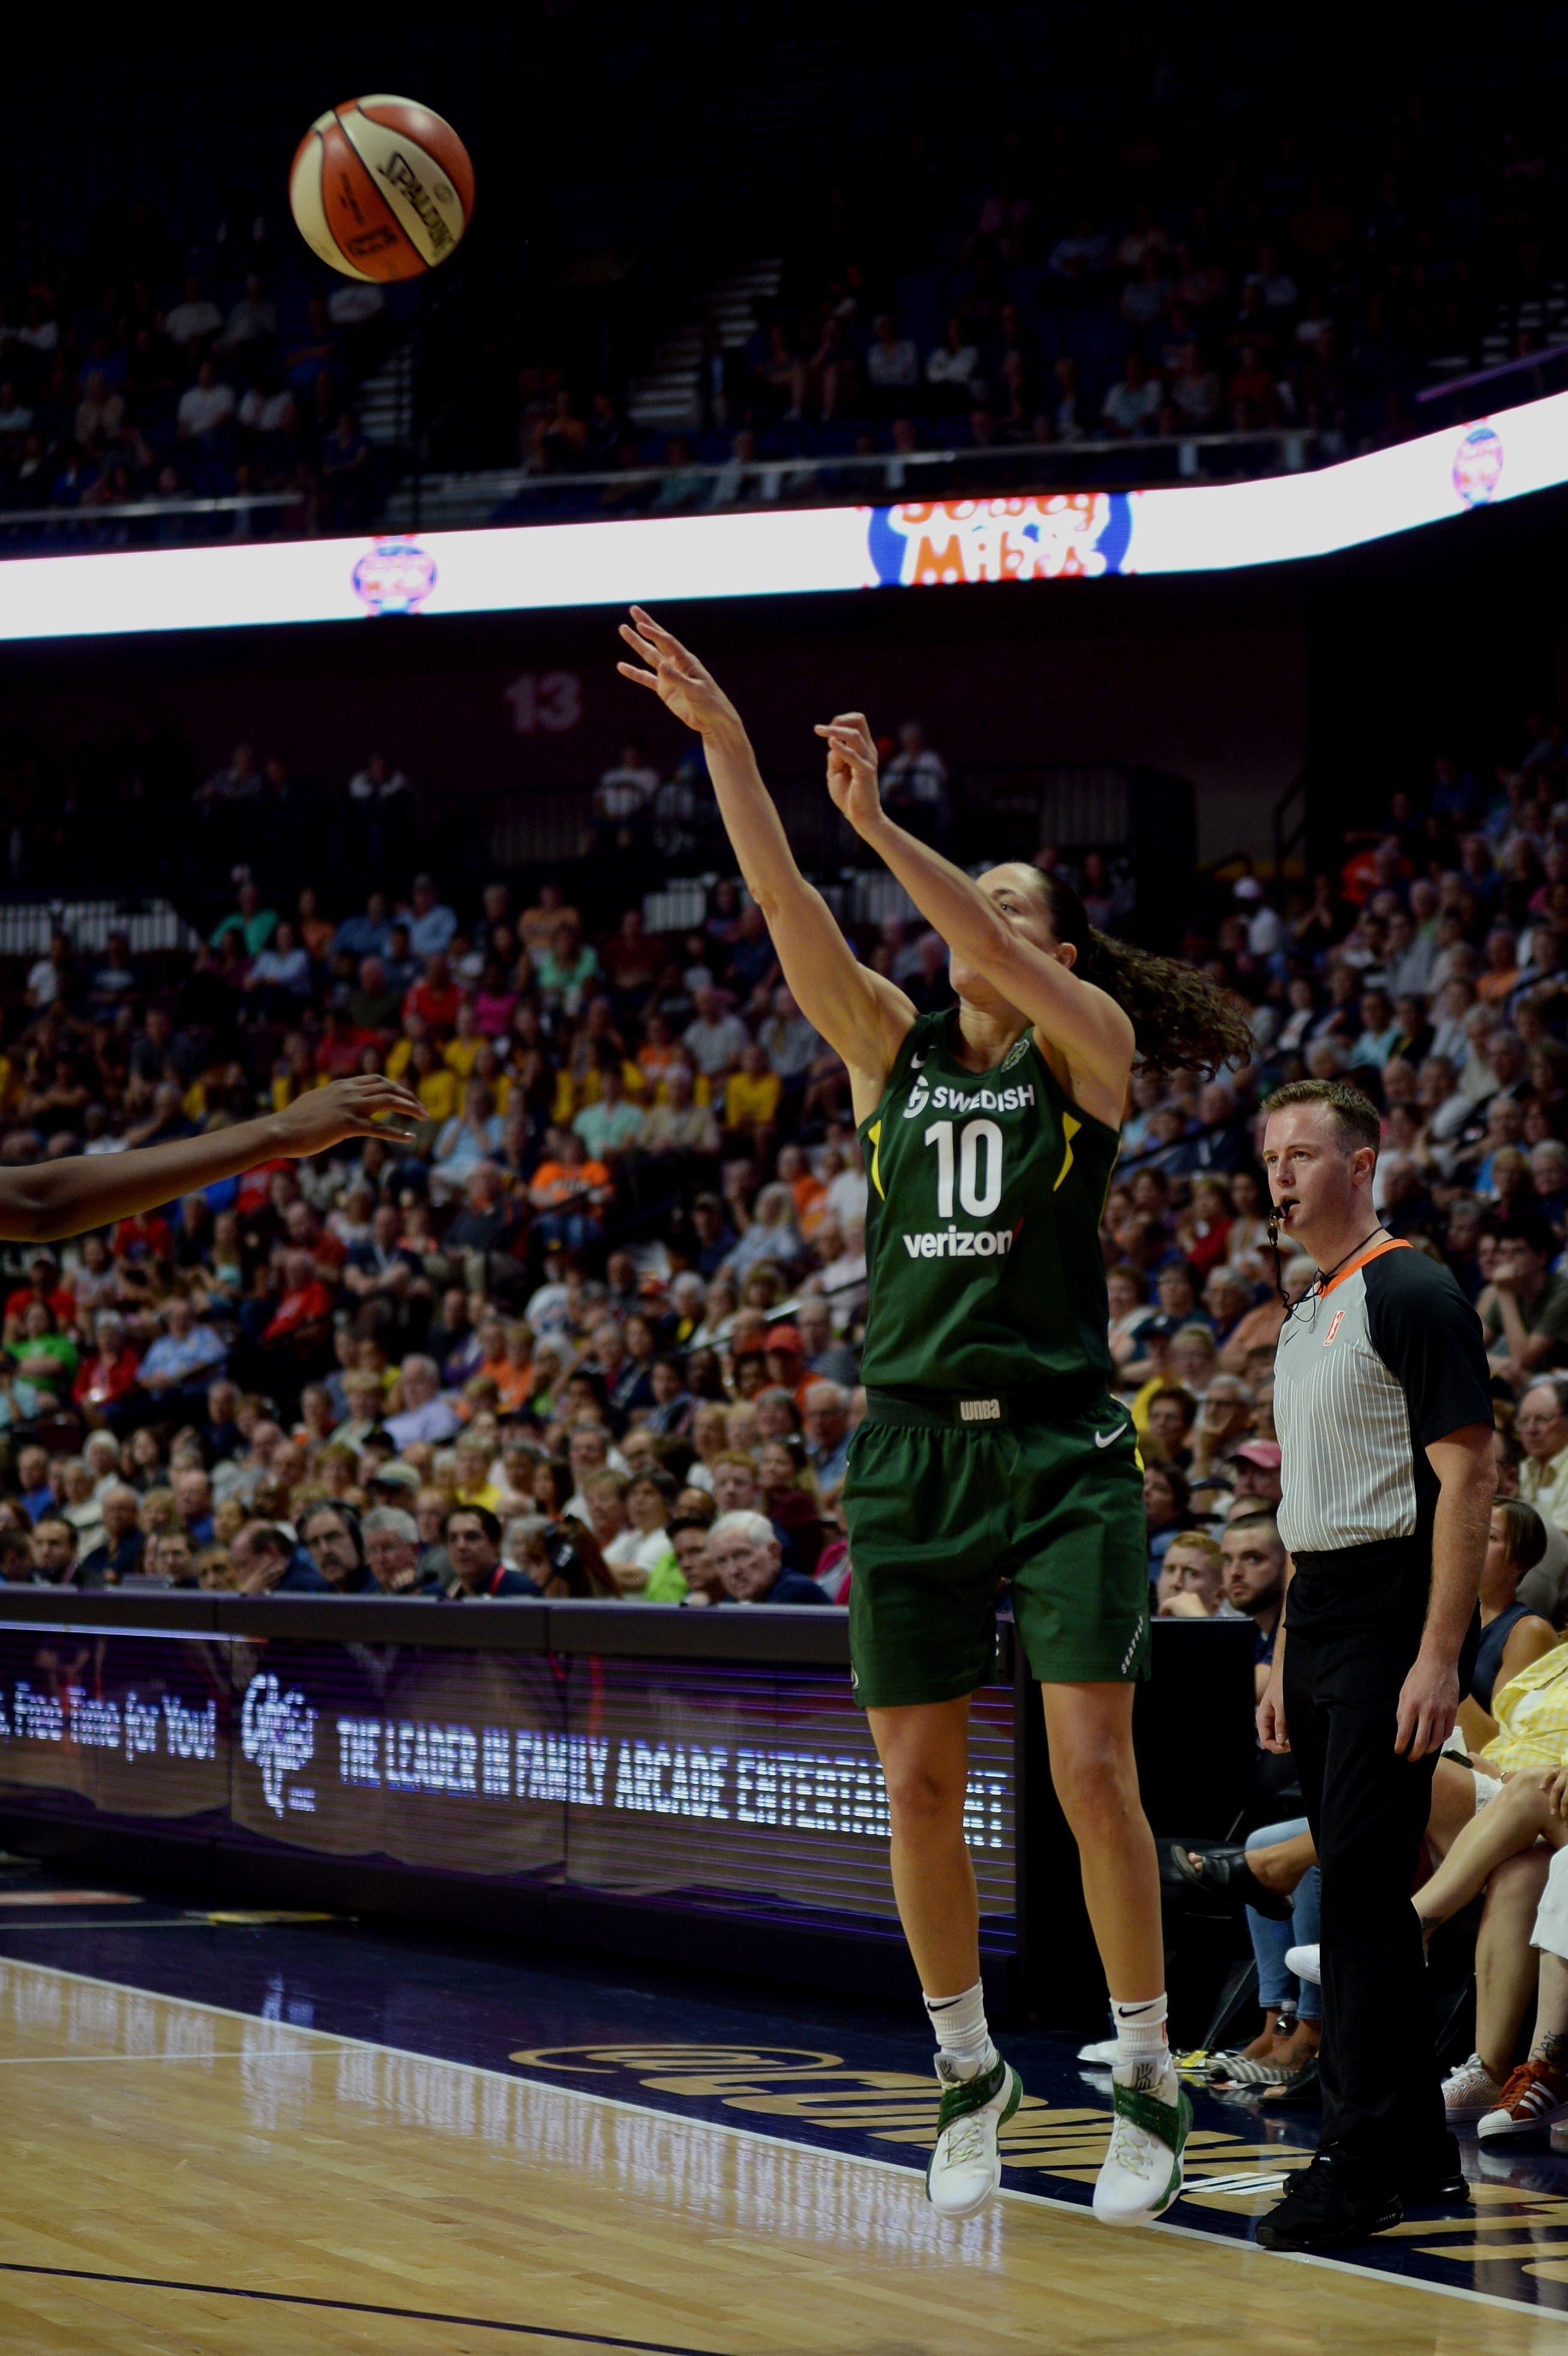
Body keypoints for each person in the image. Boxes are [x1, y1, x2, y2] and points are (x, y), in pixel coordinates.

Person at [616, 604, 1250, 2226]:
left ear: (1041, 951)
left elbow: (970, 929)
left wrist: (886, 825)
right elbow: (776, 903)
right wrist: (728, 749)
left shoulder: (1088, 1056)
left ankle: (1144, 2066)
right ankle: (962, 2062)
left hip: (1057, 1447)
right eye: (984, 908)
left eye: (1018, 913)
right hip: (906, 1443)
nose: (986, 928)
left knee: (1090, 1764)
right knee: (911, 1781)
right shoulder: (888, 1054)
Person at [1255, 1077, 1495, 2252]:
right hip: (1320, 1613)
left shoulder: (1410, 1287)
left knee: (1354, 1901)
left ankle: (1352, 2161)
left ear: (1363, 1162)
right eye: (1269, 1156)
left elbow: (1466, 1477)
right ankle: (1417, 2154)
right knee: (1357, 1898)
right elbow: (1311, 1501)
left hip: (1392, 1616)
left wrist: (1438, 1650)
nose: (1280, 1173)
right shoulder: (1309, 1306)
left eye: (1303, 1153)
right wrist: (1281, 1644)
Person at [707, 1509, 831, 1605]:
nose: (733, 1571)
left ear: (774, 1553)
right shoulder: (732, 1602)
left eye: (742, 1555)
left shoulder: (795, 1591)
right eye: (722, 1561)